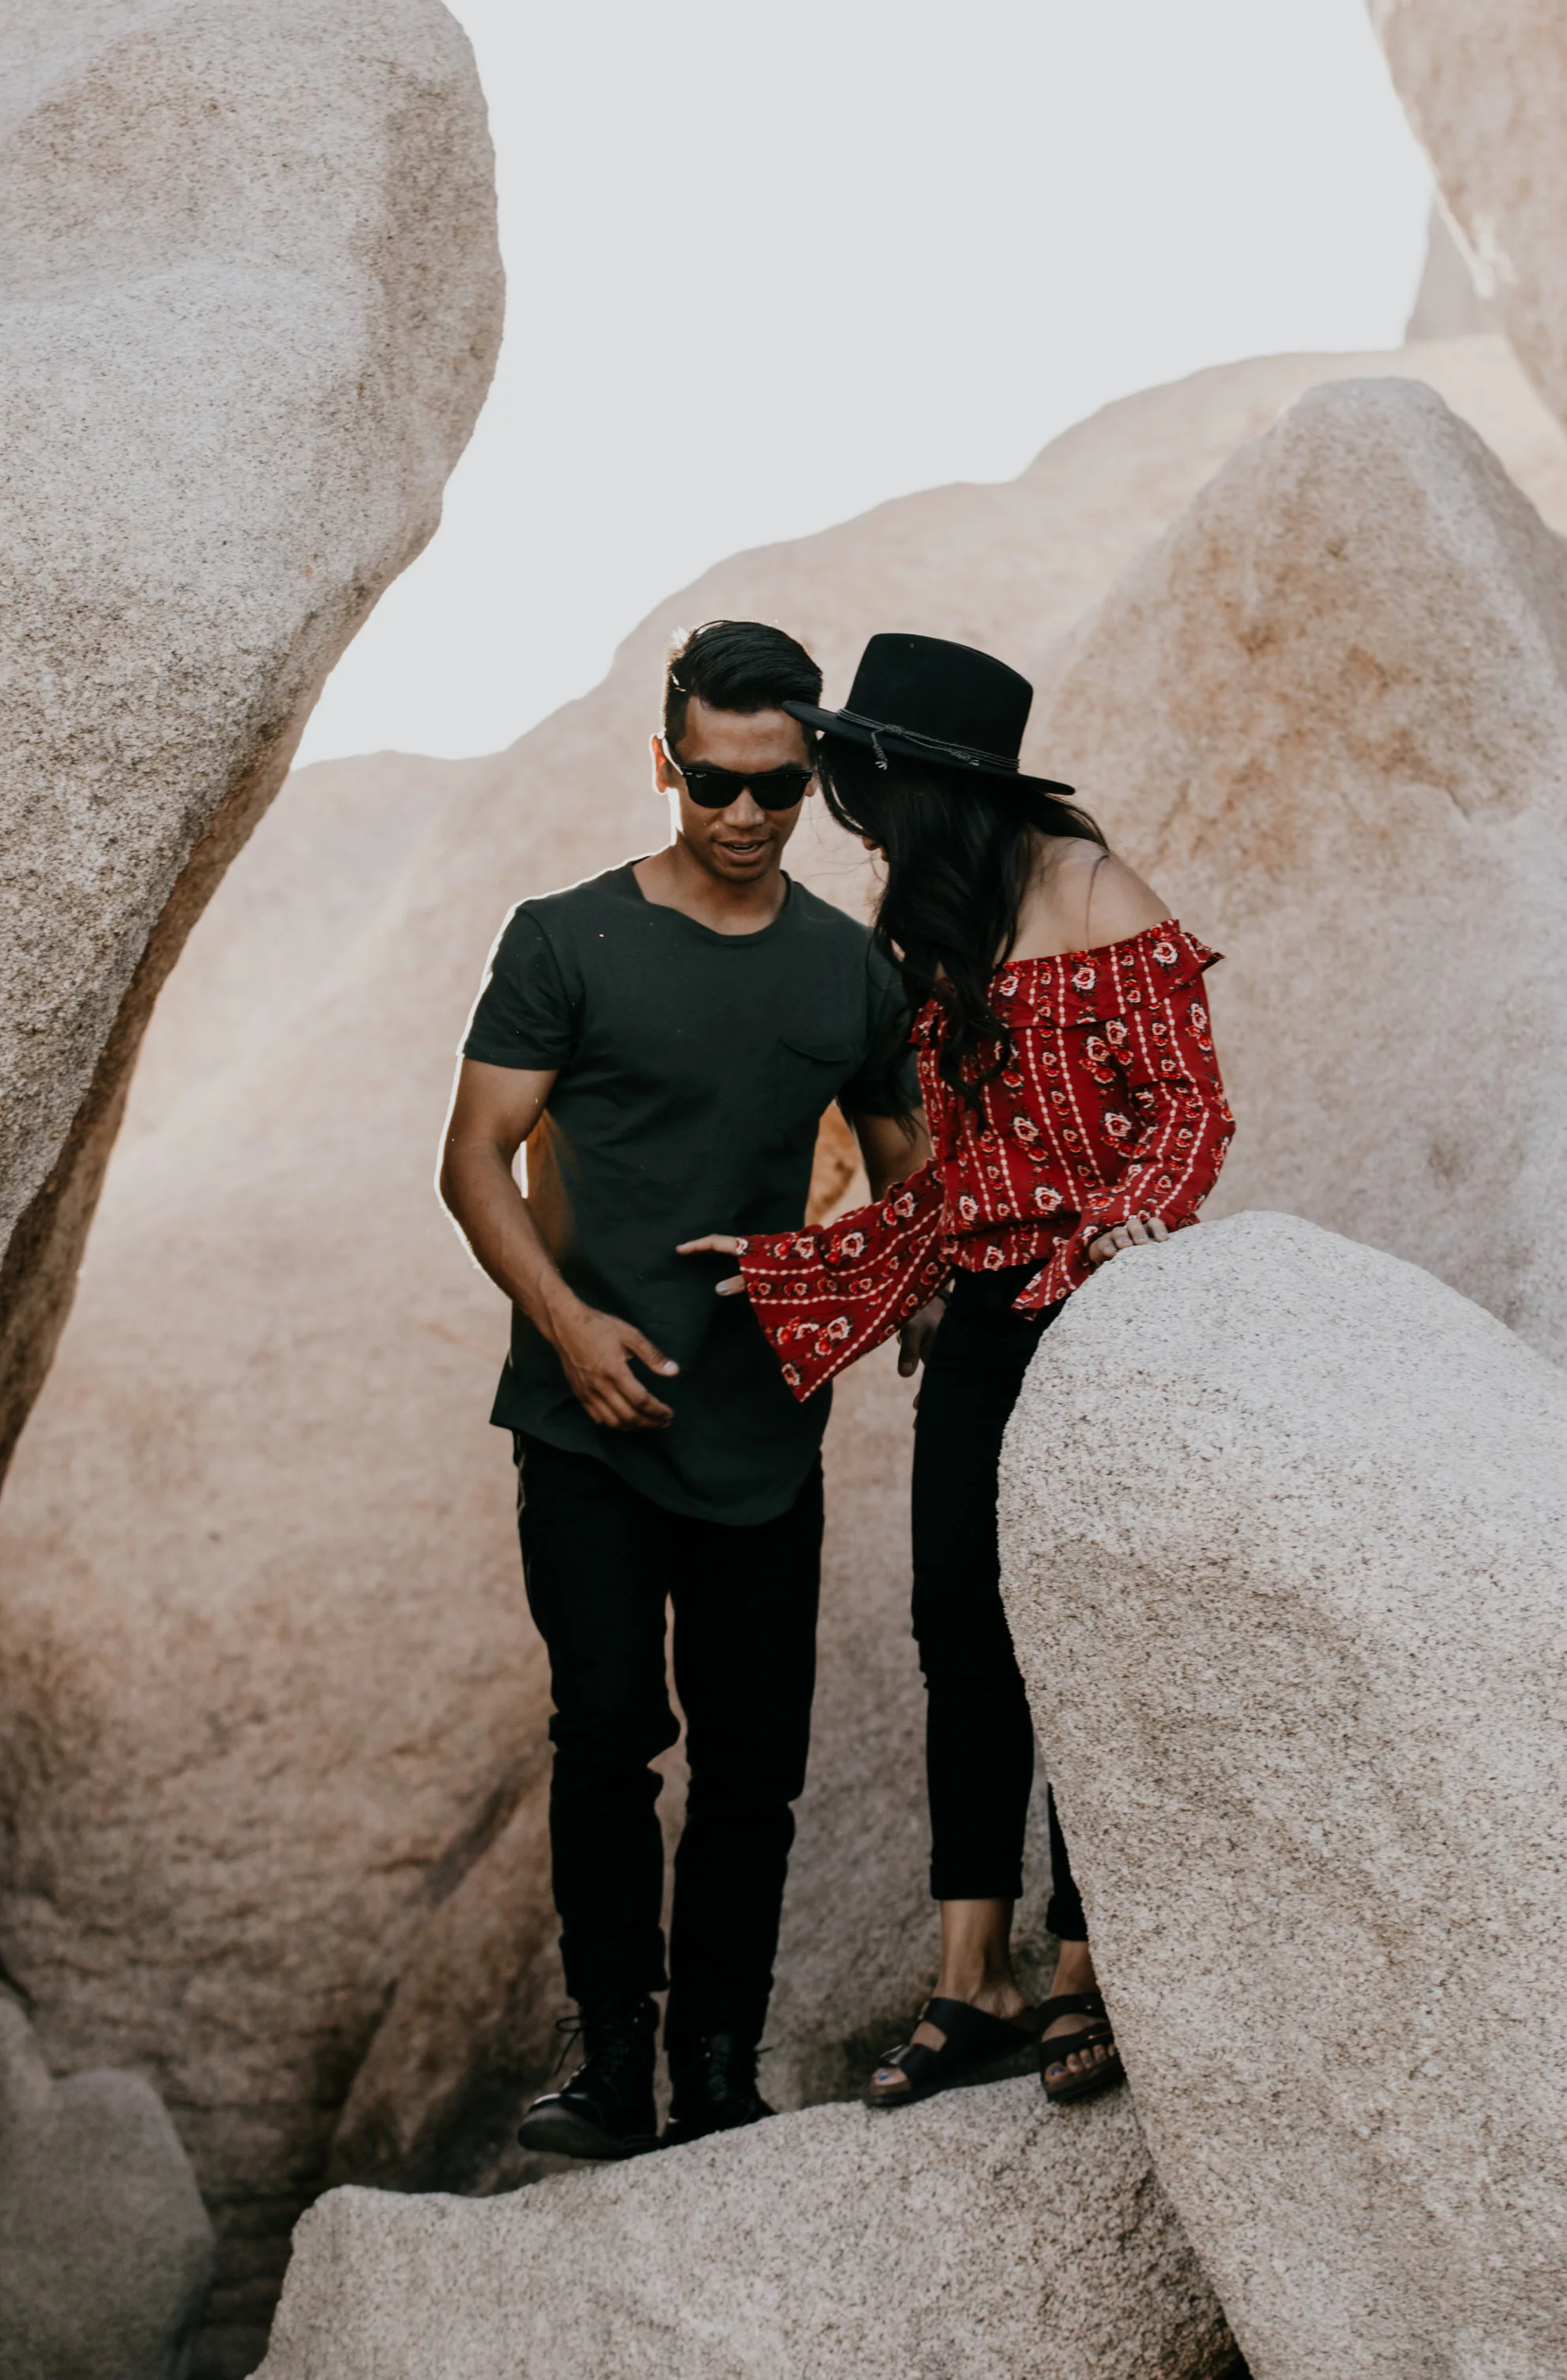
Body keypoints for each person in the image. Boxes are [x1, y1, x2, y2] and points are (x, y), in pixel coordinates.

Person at [682, 632, 1233, 2110]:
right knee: (961, 1630)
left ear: (940, 789)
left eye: (869, 784)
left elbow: (1189, 1107)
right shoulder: (932, 935)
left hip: (1110, 1315)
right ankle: (970, 1973)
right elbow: (949, 1186)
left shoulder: (1094, 890)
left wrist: (1127, 1237)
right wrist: (806, 1269)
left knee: (1086, 1634)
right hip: (990, 1312)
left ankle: (1086, 1961)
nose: (857, 814)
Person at [438, 619, 931, 2159]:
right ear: (666, 763)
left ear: (810, 782)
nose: (740, 817)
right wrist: (570, 1328)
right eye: (712, 783)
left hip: (764, 1436)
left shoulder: (846, 972)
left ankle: (717, 2072)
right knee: (602, 1738)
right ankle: (609, 2067)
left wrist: (858, 1287)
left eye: (774, 791)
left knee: (750, 1772)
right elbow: (473, 1163)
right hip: (579, 1424)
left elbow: (910, 1177)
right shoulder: (562, 938)